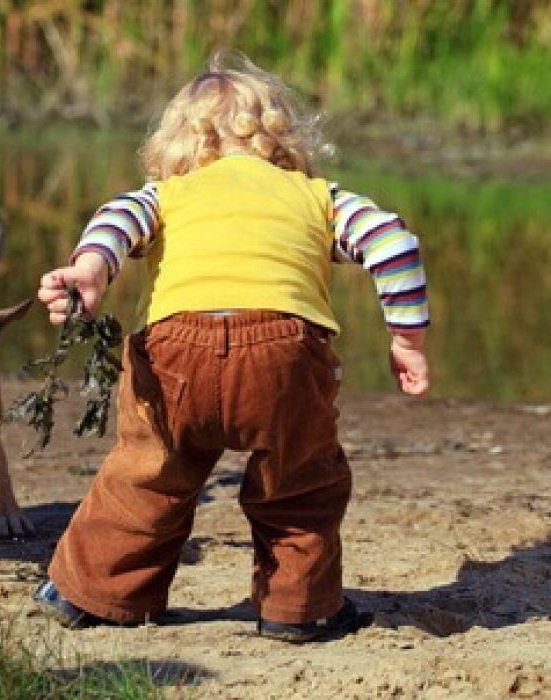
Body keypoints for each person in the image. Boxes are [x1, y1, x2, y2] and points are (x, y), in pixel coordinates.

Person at [32, 49, 430, 643]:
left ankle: (94, 595)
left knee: (147, 475)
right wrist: (407, 339)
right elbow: (393, 243)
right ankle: (300, 609)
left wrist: (91, 270)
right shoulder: (319, 197)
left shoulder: (167, 195)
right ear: (281, 138)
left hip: (175, 353)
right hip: (286, 355)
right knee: (300, 484)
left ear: (177, 146)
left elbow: (118, 220)